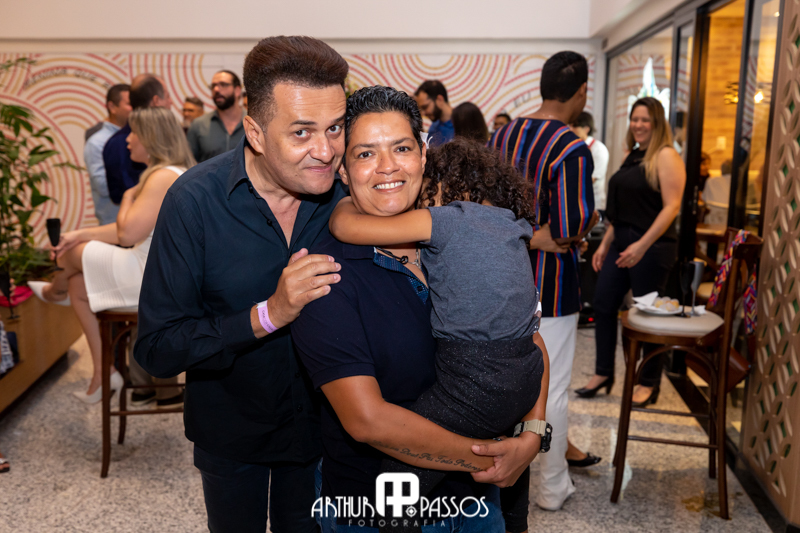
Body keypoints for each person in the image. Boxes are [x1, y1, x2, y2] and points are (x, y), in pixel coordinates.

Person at [292, 86, 552, 533]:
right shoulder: (328, 276)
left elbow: (527, 339)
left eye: (401, 148)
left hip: (478, 505)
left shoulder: (458, 240)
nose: (388, 166)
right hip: (373, 509)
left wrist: (533, 433)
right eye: (365, 154)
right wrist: (494, 459)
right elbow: (368, 421)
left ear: (423, 155)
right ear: (343, 170)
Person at [133, 36, 350, 533]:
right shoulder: (194, 202)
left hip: (328, 436)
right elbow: (158, 348)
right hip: (232, 437)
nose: (325, 151)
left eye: (335, 127)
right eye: (301, 132)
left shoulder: (347, 198)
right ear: (254, 132)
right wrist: (268, 314)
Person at [489, 51, 598, 511]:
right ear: (581, 93)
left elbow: (482, 209)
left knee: (499, 381)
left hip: (497, 280)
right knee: (550, 389)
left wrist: (517, 232)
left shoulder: (502, 135)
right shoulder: (571, 148)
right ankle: (552, 487)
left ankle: (494, 479)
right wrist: (553, 234)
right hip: (549, 288)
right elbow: (570, 226)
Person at [29, 107, 193, 404]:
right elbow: (127, 232)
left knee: (69, 256)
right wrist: (80, 234)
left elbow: (126, 234)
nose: (127, 140)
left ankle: (55, 292)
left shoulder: (161, 176)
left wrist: (128, 197)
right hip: (154, 272)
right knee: (79, 282)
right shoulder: (170, 172)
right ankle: (104, 372)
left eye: (133, 133)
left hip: (150, 278)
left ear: (150, 138)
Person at [576, 97, 686, 407]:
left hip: (652, 248)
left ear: (657, 123)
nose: (638, 125)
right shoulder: (633, 156)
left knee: (648, 314)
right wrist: (606, 244)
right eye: (635, 119)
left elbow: (672, 207)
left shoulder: (666, 155)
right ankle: (603, 373)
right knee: (603, 304)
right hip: (621, 243)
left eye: (645, 120)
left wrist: (642, 245)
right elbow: (622, 210)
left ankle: (648, 382)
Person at [103, 74, 172, 204]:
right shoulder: (119, 143)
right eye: (167, 96)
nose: (171, 102)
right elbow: (122, 193)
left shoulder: (169, 136)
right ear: (156, 101)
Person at [84, 84, 131, 225]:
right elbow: (104, 187)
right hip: (113, 223)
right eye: (129, 104)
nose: (134, 109)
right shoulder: (97, 142)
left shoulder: (137, 137)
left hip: (136, 221)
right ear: (112, 107)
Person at [187, 70, 246, 162]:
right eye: (213, 86)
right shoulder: (199, 125)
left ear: (237, 90)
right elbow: (189, 163)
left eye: (223, 84)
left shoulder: (254, 122)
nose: (216, 89)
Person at [569, 112, 609, 211]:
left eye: (575, 126)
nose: (571, 129)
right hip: (576, 204)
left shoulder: (598, 149)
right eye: (570, 125)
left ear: (586, 129)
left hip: (594, 205)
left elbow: (592, 178)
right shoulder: (573, 147)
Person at [414, 80, 454, 148]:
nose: (423, 113)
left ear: (440, 99)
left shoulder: (464, 122)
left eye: (425, 107)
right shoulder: (433, 129)